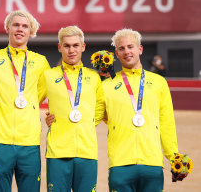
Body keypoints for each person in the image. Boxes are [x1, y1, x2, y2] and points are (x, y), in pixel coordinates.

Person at [0, 10, 50, 192]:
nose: (20, 29)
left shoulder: (41, 62)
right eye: (15, 25)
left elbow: (39, 94)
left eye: (25, 26)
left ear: (31, 31)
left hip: (30, 142)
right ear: (7, 28)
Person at [101, 28, 180, 191]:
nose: (126, 51)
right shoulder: (105, 86)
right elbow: (90, 117)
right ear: (116, 53)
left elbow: (167, 123)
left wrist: (173, 157)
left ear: (140, 49)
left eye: (130, 47)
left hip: (152, 164)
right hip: (120, 164)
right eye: (121, 48)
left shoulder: (159, 82)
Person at [43, 25, 104, 192]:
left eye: (76, 45)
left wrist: (88, 122)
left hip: (87, 152)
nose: (71, 50)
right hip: (57, 153)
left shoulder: (94, 77)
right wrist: (45, 118)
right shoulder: (48, 75)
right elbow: (30, 100)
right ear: (60, 47)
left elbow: (101, 106)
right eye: (67, 45)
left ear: (83, 47)